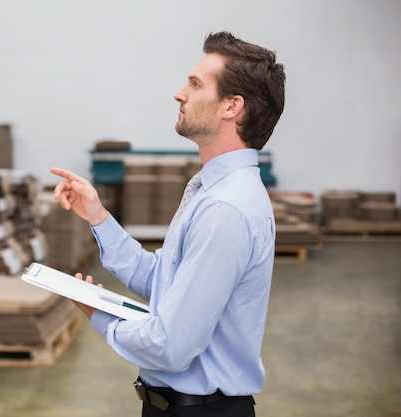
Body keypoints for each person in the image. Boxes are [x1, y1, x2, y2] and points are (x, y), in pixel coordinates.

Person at [51, 31, 285, 417]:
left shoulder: (227, 208)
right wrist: (97, 215)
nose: (180, 93)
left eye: (195, 84)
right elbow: (163, 278)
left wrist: (101, 316)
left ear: (232, 106)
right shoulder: (209, 188)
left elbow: (171, 346)